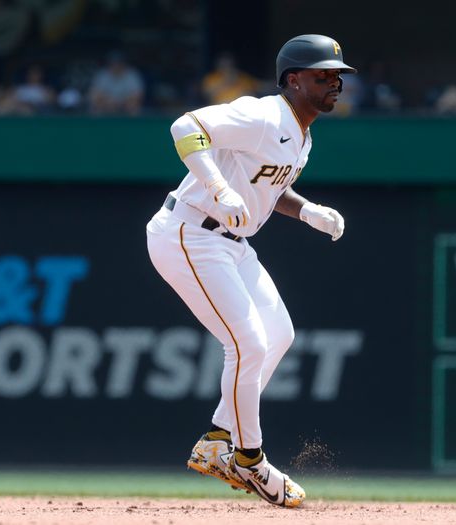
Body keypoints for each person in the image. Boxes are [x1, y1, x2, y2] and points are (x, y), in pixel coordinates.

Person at [145, 34, 354, 508]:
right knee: (247, 344)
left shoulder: (301, 133)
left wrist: (308, 212)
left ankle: (219, 439)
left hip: (232, 243)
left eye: (338, 76)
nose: (334, 83)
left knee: (278, 334)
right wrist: (217, 188)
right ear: (293, 80)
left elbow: (267, 187)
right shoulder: (264, 115)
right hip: (189, 232)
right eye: (323, 75)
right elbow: (185, 126)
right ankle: (249, 458)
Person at [87, 51, 144, 115]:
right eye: (113, 63)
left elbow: (137, 96)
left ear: (123, 63)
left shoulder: (132, 75)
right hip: (106, 106)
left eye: (118, 63)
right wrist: (109, 103)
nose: (116, 65)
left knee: (133, 105)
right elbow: (94, 95)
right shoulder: (102, 75)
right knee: (95, 105)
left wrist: (119, 103)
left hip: (125, 107)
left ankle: (132, 124)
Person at [201, 52, 267, 105]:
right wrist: (225, 82)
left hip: (241, 109)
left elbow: (258, 87)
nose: (226, 66)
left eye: (228, 63)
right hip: (219, 108)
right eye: (223, 63)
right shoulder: (211, 78)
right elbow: (207, 96)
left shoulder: (241, 76)